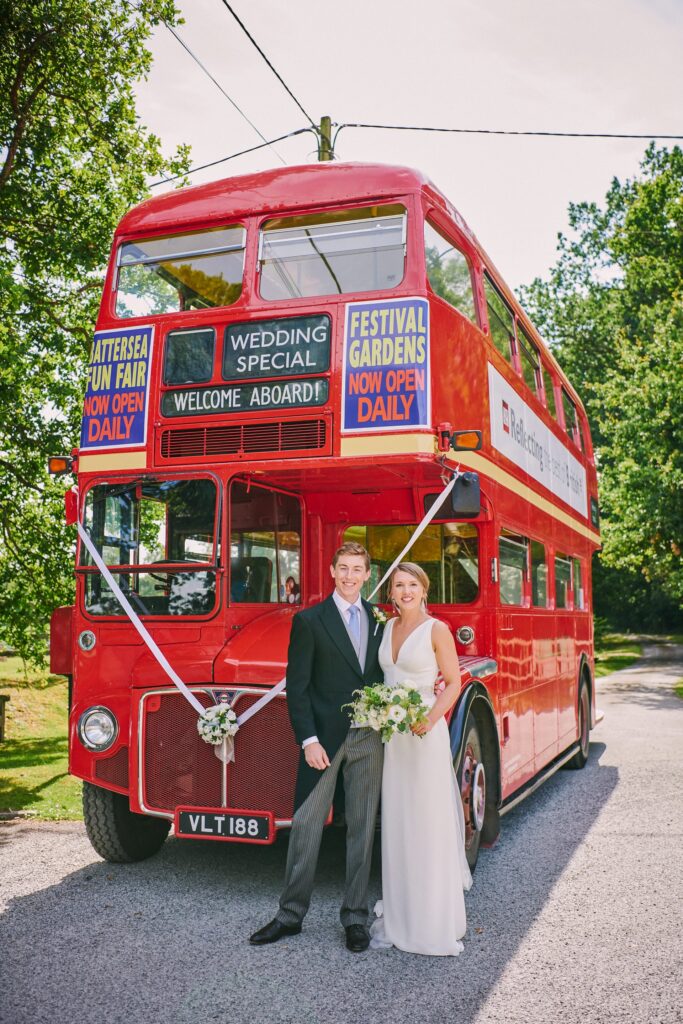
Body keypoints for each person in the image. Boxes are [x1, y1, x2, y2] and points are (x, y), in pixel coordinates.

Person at [250, 542, 385, 953]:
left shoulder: (380, 621)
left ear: (367, 574)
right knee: (307, 825)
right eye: (342, 568)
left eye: (357, 569)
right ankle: (290, 915)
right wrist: (307, 740)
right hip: (322, 741)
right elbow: (298, 687)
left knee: (362, 829)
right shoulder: (309, 620)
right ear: (331, 570)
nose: (349, 576)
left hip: (370, 737)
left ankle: (356, 918)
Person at [371, 561, 472, 956]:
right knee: (399, 821)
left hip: (423, 734)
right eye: (399, 585)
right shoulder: (387, 628)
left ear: (424, 589)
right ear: (391, 593)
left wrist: (428, 721)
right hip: (393, 739)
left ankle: (432, 919)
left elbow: (453, 682)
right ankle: (401, 913)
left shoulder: (437, 629)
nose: (406, 591)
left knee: (427, 822)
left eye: (412, 584)